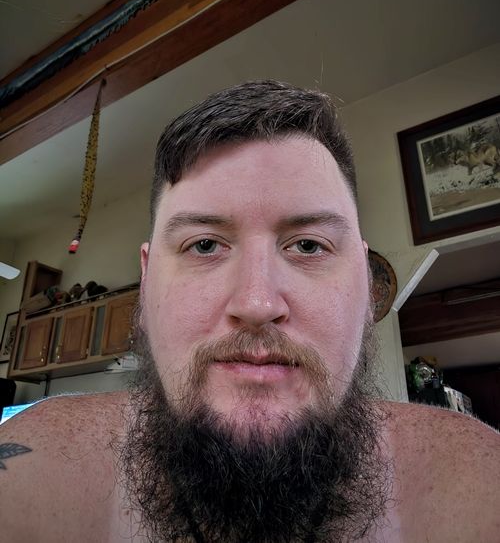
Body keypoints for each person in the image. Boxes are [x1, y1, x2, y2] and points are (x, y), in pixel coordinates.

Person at [1, 80, 499, 542]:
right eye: (203, 245)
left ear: (366, 285)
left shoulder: (475, 482)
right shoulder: (38, 469)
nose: (257, 305)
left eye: (308, 245)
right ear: (147, 280)